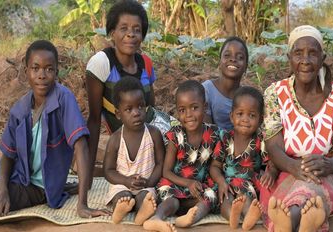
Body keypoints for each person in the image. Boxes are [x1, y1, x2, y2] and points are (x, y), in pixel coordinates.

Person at [0, 40, 109, 218]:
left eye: (49, 69)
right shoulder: (21, 108)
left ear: (57, 73)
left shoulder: (63, 99)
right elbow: (8, 153)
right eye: (35, 68)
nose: (42, 75)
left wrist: (83, 204)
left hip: (37, 184)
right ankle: (1, 184)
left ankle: (51, 189)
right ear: (26, 71)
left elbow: (80, 146)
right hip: (17, 170)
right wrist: (2, 190)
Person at [261, 25, 333, 232]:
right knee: (297, 193)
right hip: (286, 169)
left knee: (310, 190)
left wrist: (329, 165)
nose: (305, 60)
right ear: (289, 57)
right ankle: (303, 222)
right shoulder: (275, 93)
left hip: (327, 172)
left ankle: (290, 222)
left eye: (313, 53)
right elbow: (273, 146)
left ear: (323, 57)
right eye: (298, 53)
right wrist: (294, 167)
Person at [85, 0, 174, 186]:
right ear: (112, 32)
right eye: (123, 28)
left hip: (152, 134)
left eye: (136, 29)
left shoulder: (146, 64)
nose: (130, 35)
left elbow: (152, 110)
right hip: (128, 136)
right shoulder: (102, 63)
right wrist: (86, 175)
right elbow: (94, 119)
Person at [143, 80, 220, 232]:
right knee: (172, 200)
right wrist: (187, 183)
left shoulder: (213, 135)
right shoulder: (175, 135)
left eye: (194, 108)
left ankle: (190, 218)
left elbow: (214, 167)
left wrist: (206, 184)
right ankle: (157, 218)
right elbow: (166, 172)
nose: (189, 115)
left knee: (211, 195)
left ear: (204, 107)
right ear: (177, 112)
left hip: (197, 187)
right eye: (182, 110)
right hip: (175, 182)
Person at [209, 86, 278, 230]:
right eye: (240, 114)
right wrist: (221, 182)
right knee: (225, 201)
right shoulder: (225, 138)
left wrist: (270, 172)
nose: (245, 120)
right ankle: (232, 216)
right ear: (231, 116)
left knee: (247, 200)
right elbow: (215, 166)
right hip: (226, 184)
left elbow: (272, 161)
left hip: (248, 185)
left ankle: (248, 217)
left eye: (252, 115)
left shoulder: (260, 140)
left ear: (260, 120)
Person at [103, 76, 165, 225]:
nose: (136, 113)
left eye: (140, 106)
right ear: (118, 114)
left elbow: (160, 163)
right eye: (129, 109)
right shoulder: (116, 139)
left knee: (147, 197)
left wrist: (149, 182)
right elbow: (108, 171)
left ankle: (142, 211)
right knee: (122, 195)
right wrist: (125, 180)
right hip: (122, 184)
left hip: (146, 184)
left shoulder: (154, 134)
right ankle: (120, 210)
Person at [202, 36, 248, 130]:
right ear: (219, 62)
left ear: (246, 66)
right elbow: (206, 132)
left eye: (240, 57)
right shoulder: (206, 91)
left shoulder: (247, 98)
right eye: (227, 55)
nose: (233, 59)